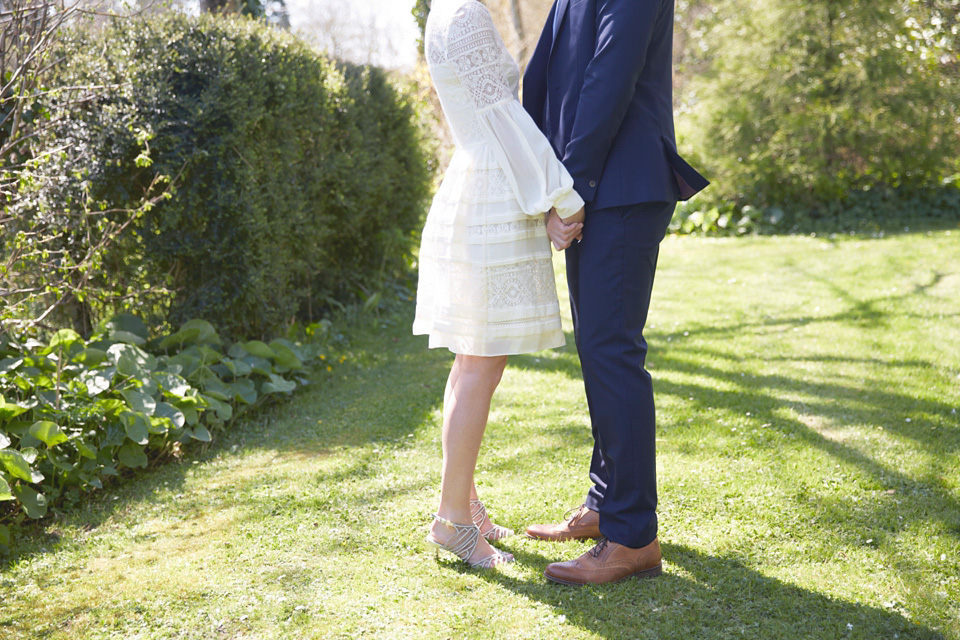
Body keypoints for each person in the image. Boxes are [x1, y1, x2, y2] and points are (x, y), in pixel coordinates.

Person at [522, 0, 709, 585]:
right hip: (592, 186)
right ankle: (606, 505)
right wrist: (533, 173)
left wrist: (568, 188)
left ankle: (633, 536)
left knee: (613, 352)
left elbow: (610, 76)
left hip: (622, 186)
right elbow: (545, 75)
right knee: (598, 352)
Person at [414, 0, 586, 570]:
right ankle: (453, 523)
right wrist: (561, 196)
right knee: (480, 365)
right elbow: (504, 118)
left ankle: (462, 502)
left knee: (471, 363)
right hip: (491, 194)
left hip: (482, 185)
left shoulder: (446, 12)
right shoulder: (463, 14)